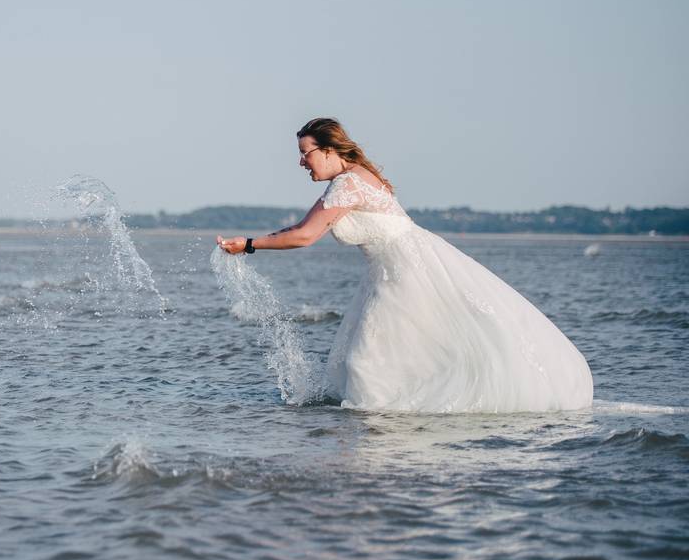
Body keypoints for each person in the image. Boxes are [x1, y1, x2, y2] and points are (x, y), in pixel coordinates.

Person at [217, 117, 593, 412]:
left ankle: (372, 451)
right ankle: (382, 434)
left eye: (306, 153)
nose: (301, 161)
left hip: (405, 273)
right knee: (379, 359)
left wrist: (248, 245)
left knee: (368, 362)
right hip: (393, 270)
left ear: (330, 150)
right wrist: (248, 243)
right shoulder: (352, 180)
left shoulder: (349, 184)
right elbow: (300, 227)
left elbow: (304, 236)